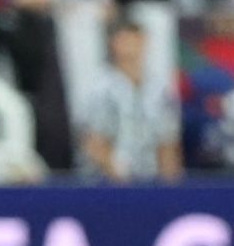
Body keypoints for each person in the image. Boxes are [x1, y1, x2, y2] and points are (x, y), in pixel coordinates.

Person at [78, 24, 184, 183]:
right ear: (113, 44)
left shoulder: (159, 90)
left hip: (150, 179)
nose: (129, 46)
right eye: (123, 40)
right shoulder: (100, 88)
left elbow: (167, 142)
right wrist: (120, 177)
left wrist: (170, 184)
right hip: (106, 182)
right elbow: (93, 142)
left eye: (134, 39)